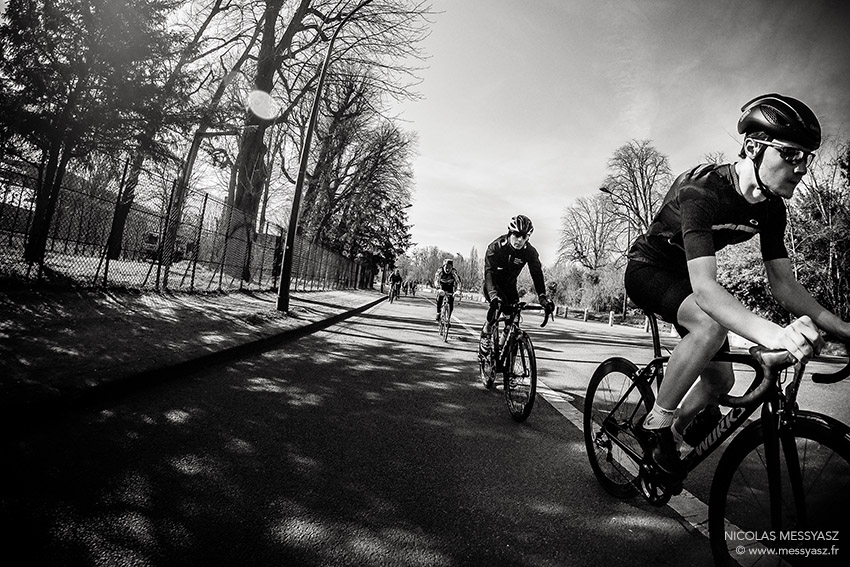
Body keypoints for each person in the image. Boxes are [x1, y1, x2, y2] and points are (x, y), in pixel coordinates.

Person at [625, 93, 850, 480]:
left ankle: (673, 439)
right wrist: (776, 335)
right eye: (791, 154)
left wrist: (841, 327)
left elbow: (783, 284)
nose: (801, 168)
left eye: (807, 157)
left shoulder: (771, 207)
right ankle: (654, 425)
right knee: (710, 327)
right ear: (753, 147)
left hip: (686, 281)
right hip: (649, 270)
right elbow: (706, 289)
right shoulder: (702, 189)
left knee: (721, 380)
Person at [478, 215, 555, 357]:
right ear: (510, 233)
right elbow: (489, 273)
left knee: (514, 321)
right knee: (497, 308)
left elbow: (537, 274)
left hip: (510, 287)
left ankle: (503, 350)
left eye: (524, 236)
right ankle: (486, 333)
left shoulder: (529, 252)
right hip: (492, 285)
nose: (520, 240)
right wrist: (493, 296)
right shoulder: (495, 247)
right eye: (517, 235)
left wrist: (542, 297)